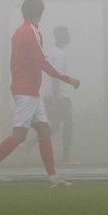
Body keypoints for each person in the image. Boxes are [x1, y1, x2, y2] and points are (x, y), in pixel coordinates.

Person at [0, 0, 80, 189]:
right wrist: (68, 79)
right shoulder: (30, 32)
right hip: (27, 91)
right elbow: (42, 61)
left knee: (44, 130)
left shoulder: (20, 31)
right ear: (40, 13)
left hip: (29, 90)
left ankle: (53, 178)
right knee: (19, 135)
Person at [43, 26, 76, 163]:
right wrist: (57, 98)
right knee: (66, 125)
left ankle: (28, 145)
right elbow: (56, 76)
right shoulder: (59, 55)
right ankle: (66, 157)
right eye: (66, 34)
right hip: (59, 96)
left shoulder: (53, 52)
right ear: (61, 36)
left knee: (56, 126)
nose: (69, 36)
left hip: (54, 96)